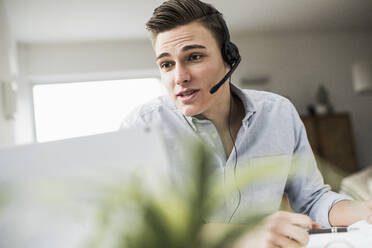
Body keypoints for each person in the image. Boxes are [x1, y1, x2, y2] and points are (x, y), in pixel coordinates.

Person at [121, 0, 372, 247]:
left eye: (194, 56)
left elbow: (312, 199)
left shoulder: (279, 114)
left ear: (229, 59)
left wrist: (363, 211)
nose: (180, 77)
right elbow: (138, 226)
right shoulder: (141, 126)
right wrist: (248, 234)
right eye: (167, 64)